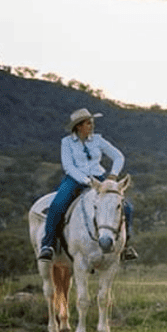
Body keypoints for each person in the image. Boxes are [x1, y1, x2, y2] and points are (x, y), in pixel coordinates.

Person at [38, 108, 138, 262]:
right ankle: (48, 245)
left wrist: (113, 175)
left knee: (127, 207)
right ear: (78, 126)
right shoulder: (67, 143)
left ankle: (125, 247)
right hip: (74, 179)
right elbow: (68, 167)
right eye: (88, 123)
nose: (92, 126)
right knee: (57, 205)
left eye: (92, 123)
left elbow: (118, 156)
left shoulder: (98, 140)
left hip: (100, 178)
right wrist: (87, 181)